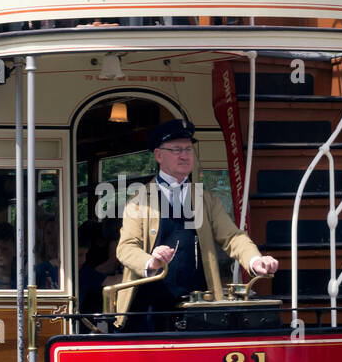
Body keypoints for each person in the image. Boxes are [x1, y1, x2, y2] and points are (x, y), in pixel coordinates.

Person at [115, 119, 277, 326]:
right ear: (158, 155)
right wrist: (151, 262)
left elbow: (232, 237)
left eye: (188, 149)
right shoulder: (139, 200)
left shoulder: (206, 199)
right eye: (176, 150)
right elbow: (126, 248)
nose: (184, 155)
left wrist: (255, 260)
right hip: (148, 310)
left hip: (197, 307)